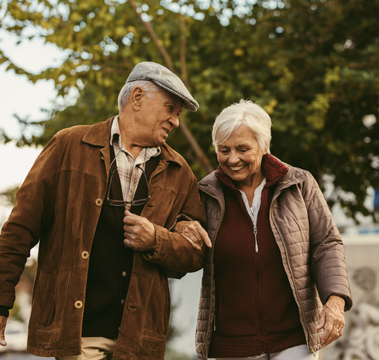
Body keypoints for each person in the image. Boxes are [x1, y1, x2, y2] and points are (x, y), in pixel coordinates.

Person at [0, 62, 212, 360]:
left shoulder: (180, 172)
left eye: (177, 113)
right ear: (137, 97)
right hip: (79, 336)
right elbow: (20, 229)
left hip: (139, 341)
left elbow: (195, 253)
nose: (175, 121)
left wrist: (157, 240)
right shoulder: (68, 145)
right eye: (170, 108)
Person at [195, 100, 353, 360]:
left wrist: (335, 300)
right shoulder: (205, 193)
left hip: (294, 341)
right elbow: (185, 247)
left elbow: (326, 243)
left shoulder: (299, 184)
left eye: (243, 149)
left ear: (264, 146)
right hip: (231, 346)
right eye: (224, 150)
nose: (232, 159)